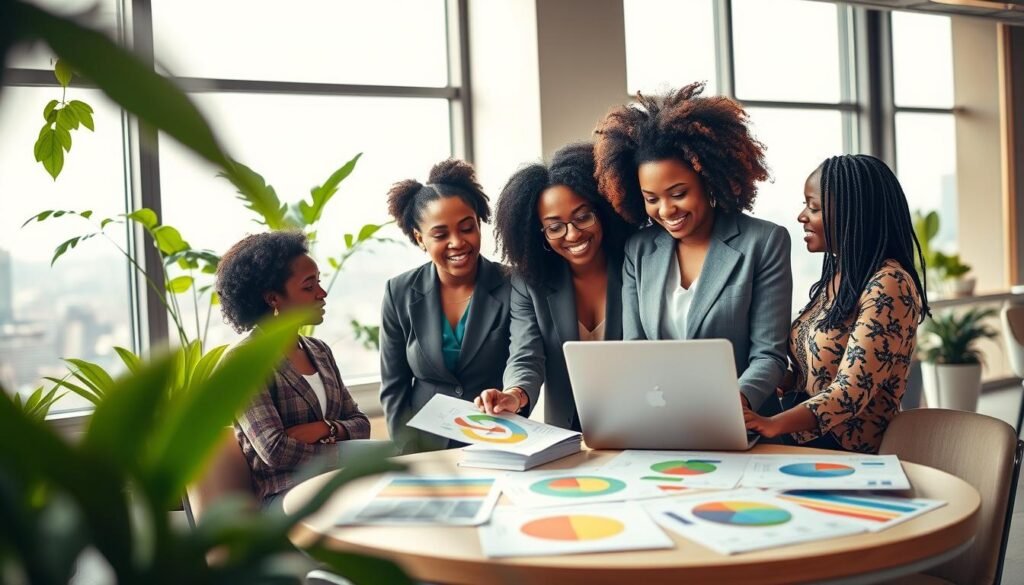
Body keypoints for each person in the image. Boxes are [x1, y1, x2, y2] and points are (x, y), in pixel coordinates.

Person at [594, 81, 793, 415]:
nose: (666, 210)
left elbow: (769, 355)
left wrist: (734, 404)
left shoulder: (765, 242)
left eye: (678, 193)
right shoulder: (639, 251)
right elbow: (636, 348)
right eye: (651, 199)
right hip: (661, 417)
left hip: (744, 420)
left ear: (709, 180)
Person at [743, 154, 929, 453]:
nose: (802, 216)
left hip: (850, 455)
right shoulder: (839, 276)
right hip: (807, 445)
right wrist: (775, 377)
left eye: (813, 207)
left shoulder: (889, 284)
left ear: (853, 213)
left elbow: (851, 392)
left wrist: (771, 423)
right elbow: (817, 377)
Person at [477, 142, 633, 430]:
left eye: (583, 216)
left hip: (641, 422)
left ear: (603, 210)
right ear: (539, 234)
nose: (573, 234)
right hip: (569, 433)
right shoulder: (530, 282)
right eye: (554, 226)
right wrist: (514, 394)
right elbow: (526, 353)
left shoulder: (637, 262)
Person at [217, 231, 370, 507]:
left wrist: (324, 428)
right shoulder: (245, 361)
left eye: (319, 283)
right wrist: (340, 451)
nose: (322, 294)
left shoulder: (320, 351)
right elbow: (274, 450)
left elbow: (361, 424)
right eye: (309, 286)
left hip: (337, 486)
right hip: (286, 499)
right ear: (273, 298)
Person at [379, 159, 513, 454]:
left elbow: (525, 360)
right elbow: (394, 388)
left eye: (467, 228)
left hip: (498, 440)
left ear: (478, 223)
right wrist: (407, 455)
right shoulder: (398, 292)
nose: (457, 243)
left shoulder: (512, 284)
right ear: (420, 239)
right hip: (424, 449)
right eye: (440, 235)